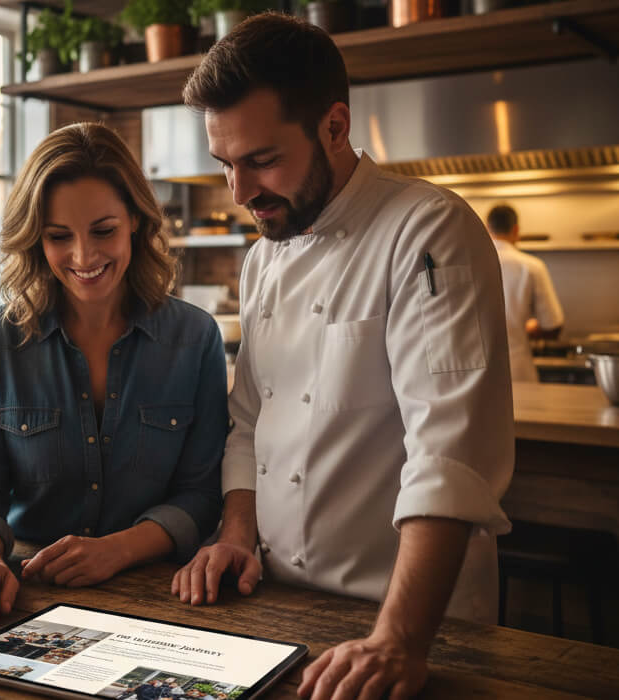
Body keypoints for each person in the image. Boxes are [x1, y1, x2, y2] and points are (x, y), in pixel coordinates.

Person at [170, 14, 514, 700]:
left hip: (409, 625)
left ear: (334, 126)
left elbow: (449, 454)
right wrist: (237, 531)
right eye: (225, 165)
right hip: (277, 606)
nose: (240, 193)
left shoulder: (428, 230)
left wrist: (399, 640)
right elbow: (249, 420)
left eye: (261, 160)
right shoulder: (263, 259)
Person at [0, 122, 227, 622]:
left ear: (135, 219)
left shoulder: (196, 338)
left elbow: (200, 494)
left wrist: (118, 550)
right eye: (58, 237)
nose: (83, 256)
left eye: (103, 230)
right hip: (24, 595)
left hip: (164, 598)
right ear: (35, 238)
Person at [486, 203, 565, 382]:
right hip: (517, 369)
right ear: (516, 230)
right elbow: (553, 327)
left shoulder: (471, 263)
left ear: (487, 227)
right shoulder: (531, 266)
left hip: (479, 375)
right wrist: (528, 326)